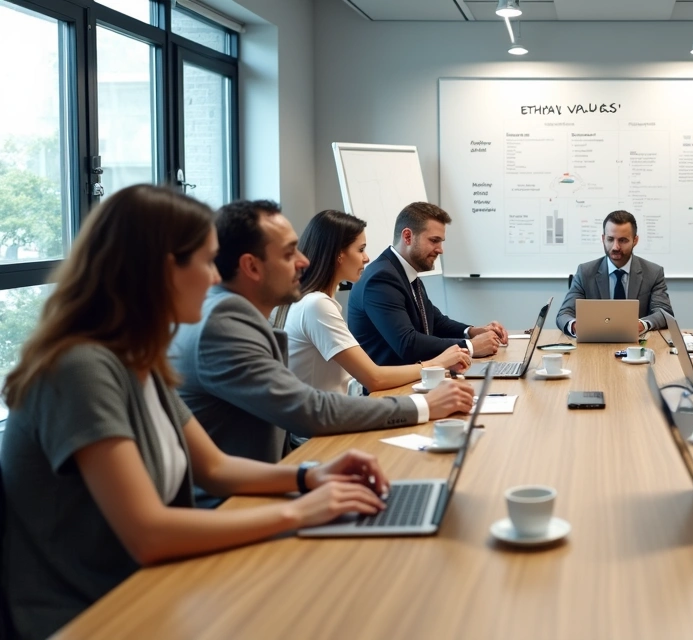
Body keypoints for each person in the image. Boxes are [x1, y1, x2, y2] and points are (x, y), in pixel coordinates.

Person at [0, 185, 392, 640]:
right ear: (164, 270)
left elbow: (216, 467)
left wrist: (310, 477)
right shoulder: (81, 367)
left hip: (149, 590)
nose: (214, 278)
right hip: (93, 615)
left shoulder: (138, 358)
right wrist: (299, 513)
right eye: (206, 262)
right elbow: (149, 533)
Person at [170, 200, 474, 469]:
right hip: (257, 483)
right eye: (290, 253)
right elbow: (307, 409)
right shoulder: (224, 323)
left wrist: (308, 480)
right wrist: (425, 405)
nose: (303, 261)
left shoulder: (243, 314)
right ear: (251, 266)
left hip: (274, 467)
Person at [278, 210, 470, 395]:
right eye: (360, 249)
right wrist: (438, 363)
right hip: (324, 423)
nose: (366, 258)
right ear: (339, 254)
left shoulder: (314, 302)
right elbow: (374, 378)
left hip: (335, 413)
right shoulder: (316, 305)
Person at [348, 201, 507, 366]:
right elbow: (407, 343)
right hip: (393, 388)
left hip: (416, 380)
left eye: (441, 241)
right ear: (408, 236)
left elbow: (435, 321)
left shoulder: (404, 273)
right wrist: (470, 347)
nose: (440, 249)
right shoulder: (381, 279)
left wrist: (472, 332)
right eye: (434, 240)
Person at [555, 210, 674, 337]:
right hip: (594, 344)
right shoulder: (585, 272)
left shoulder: (653, 272)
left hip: (637, 347)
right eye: (610, 239)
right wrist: (574, 325)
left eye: (623, 240)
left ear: (635, 240)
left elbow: (663, 313)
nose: (615, 247)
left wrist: (641, 325)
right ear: (603, 238)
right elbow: (564, 314)